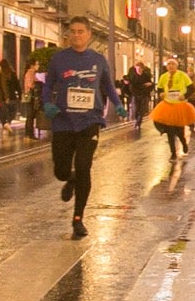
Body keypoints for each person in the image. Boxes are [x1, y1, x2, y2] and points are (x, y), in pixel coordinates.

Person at [44, 17, 123, 239]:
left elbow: (107, 85)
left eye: (81, 31)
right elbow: (48, 85)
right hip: (63, 121)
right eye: (72, 32)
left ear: (88, 34)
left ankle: (78, 218)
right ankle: (69, 179)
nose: (76, 35)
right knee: (60, 170)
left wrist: (118, 105)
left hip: (89, 121)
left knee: (83, 166)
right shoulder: (59, 59)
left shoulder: (98, 60)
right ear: (68, 35)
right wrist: (47, 103)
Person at [152, 58, 195, 160]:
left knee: (179, 131)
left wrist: (185, 96)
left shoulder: (182, 75)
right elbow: (159, 88)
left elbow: (191, 88)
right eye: (169, 64)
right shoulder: (163, 76)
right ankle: (173, 152)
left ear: (176, 66)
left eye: (173, 64)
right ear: (166, 66)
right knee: (170, 131)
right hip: (167, 105)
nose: (171, 66)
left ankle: (184, 143)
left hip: (179, 105)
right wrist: (161, 94)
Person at [126, 61, 155, 130]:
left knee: (142, 110)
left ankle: (138, 122)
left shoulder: (146, 76)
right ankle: (137, 120)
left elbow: (151, 84)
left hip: (144, 95)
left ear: (142, 69)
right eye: (137, 69)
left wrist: (150, 85)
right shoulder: (133, 77)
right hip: (136, 95)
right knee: (136, 109)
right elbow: (131, 86)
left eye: (139, 69)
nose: (138, 70)